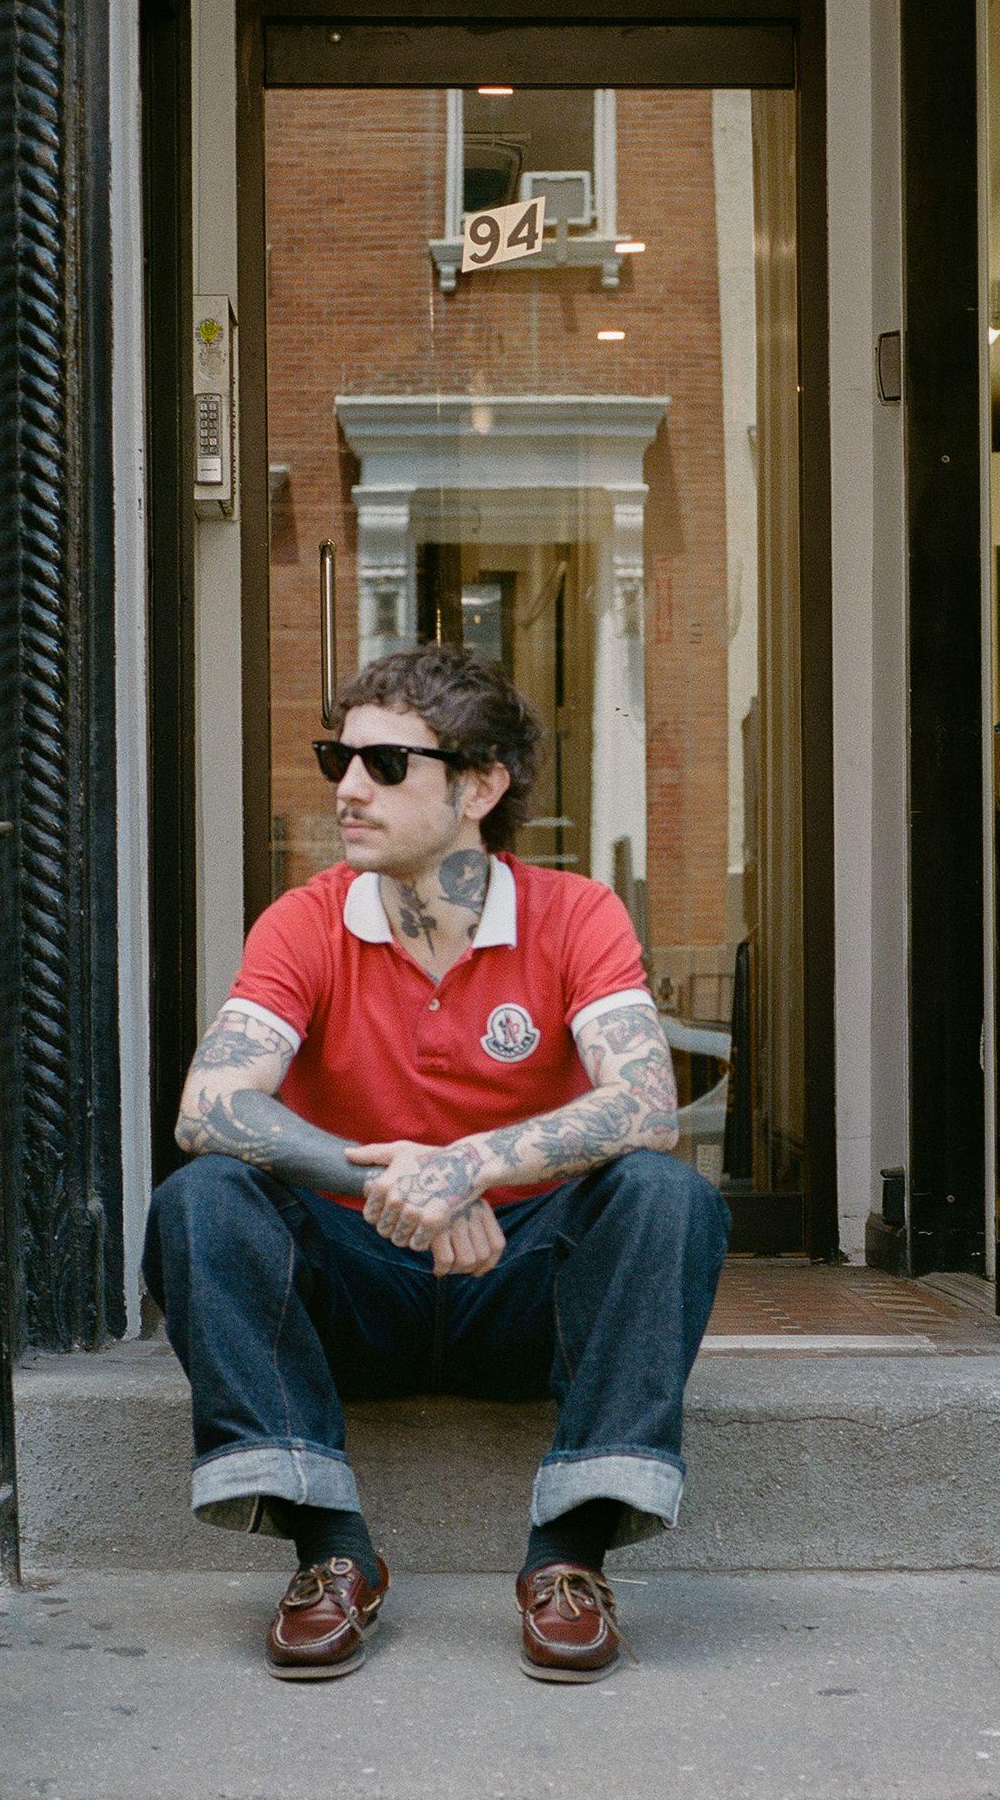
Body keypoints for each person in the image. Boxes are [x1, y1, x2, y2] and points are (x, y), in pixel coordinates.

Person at [145, 645, 730, 1684]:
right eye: (338, 757)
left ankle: (569, 1558)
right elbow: (208, 1105)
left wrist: (468, 1163)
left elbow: (647, 1104)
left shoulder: (573, 913)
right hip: (358, 1292)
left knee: (662, 1195)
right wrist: (399, 1182)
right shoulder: (308, 918)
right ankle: (329, 1550)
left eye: (383, 763)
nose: (347, 787)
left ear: (480, 784)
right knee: (203, 1198)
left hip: (525, 1293)